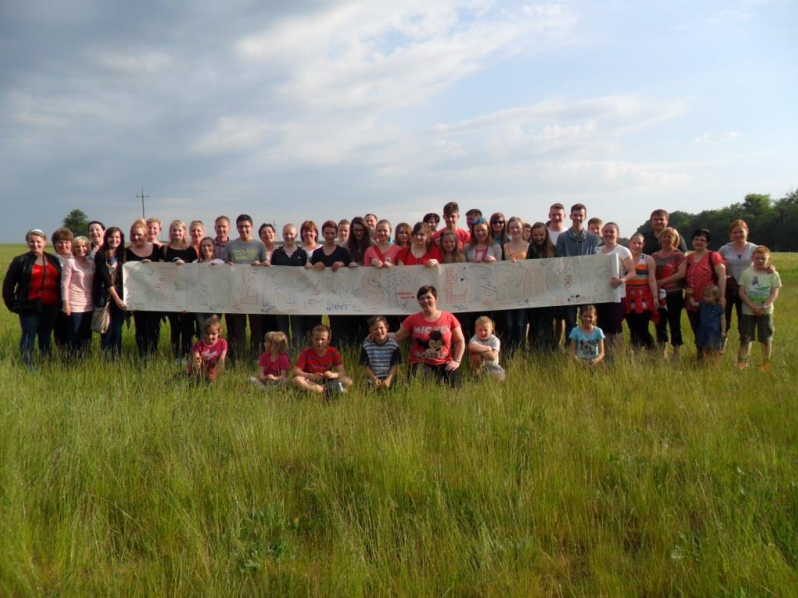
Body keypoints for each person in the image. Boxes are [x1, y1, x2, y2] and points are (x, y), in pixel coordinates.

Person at [3, 228, 62, 368]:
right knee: (29, 335)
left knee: (46, 335)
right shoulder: (20, 260)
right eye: (32, 241)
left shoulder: (53, 259)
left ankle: (46, 364)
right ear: (27, 243)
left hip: (51, 305)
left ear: (44, 242)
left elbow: (60, 281)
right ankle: (28, 366)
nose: (35, 244)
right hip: (28, 305)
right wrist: (11, 304)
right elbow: (8, 284)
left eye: (38, 241)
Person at [392, 285, 465, 386]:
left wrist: (457, 361)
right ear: (419, 302)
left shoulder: (449, 317)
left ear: (436, 299)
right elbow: (397, 336)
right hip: (420, 363)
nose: (425, 301)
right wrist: (376, 335)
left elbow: (460, 341)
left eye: (428, 297)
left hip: (445, 362)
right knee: (419, 385)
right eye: (422, 298)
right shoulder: (412, 319)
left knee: (456, 384)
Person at [223, 214, 267, 362]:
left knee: (256, 327)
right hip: (237, 294)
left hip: (255, 293)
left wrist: (261, 265)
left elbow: (265, 268)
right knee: (238, 328)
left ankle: (255, 357)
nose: (244, 229)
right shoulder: (230, 245)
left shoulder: (259, 245)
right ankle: (240, 358)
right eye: (241, 226)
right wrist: (227, 266)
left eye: (246, 226)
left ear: (252, 227)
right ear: (237, 228)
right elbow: (225, 266)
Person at [555, 203, 600, 339]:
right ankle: (571, 347)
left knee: (588, 318)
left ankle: (589, 345)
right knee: (570, 321)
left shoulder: (592, 238)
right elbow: (559, 260)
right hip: (568, 285)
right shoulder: (562, 238)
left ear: (585, 217)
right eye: (575, 215)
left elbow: (594, 260)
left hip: (586, 285)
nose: (578, 218)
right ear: (570, 216)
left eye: (581, 215)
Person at [737, 246, 781, 371]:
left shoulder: (773, 275)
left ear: (768, 259)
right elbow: (741, 292)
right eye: (757, 258)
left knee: (766, 339)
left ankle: (766, 365)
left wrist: (764, 306)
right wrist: (752, 306)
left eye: (763, 258)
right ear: (752, 258)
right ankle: (742, 365)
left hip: (766, 311)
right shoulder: (747, 273)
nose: (760, 261)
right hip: (748, 311)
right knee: (746, 338)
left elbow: (774, 293)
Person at [308, 221, 352, 344]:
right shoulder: (317, 253)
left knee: (337, 324)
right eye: (327, 233)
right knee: (315, 322)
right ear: (322, 233)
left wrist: (343, 265)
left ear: (336, 234)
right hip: (319, 293)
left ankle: (337, 347)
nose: (329, 236)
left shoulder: (343, 252)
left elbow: (350, 270)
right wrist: (314, 265)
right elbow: (310, 272)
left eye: (332, 233)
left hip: (337, 294)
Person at [162, 220, 199, 363]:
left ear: (184, 232)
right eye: (174, 230)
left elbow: (196, 271)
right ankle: (176, 355)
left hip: (187, 294)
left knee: (187, 327)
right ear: (170, 232)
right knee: (175, 327)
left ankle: (186, 354)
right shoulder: (165, 249)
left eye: (179, 230)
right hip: (170, 294)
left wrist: (185, 266)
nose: (177, 233)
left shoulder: (190, 250)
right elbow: (159, 270)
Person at [596, 223, 634, 356]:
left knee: (615, 325)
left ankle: (616, 355)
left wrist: (621, 280)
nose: (608, 234)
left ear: (617, 234)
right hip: (600, 295)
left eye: (611, 232)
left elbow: (632, 272)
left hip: (617, 295)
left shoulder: (623, 251)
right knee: (603, 325)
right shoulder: (597, 251)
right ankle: (606, 354)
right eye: (606, 231)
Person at [126, 219, 162, 358]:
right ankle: (142, 354)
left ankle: (152, 354)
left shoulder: (157, 249)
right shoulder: (127, 252)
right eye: (133, 234)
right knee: (140, 326)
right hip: (136, 296)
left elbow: (164, 269)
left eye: (139, 234)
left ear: (146, 234)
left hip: (155, 295)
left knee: (154, 326)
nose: (136, 237)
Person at [684, 229, 726, 347]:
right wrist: (686, 288)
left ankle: (712, 355)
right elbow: (683, 278)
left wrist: (722, 296)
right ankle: (700, 355)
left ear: (707, 243)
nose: (698, 242)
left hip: (709, 303)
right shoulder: (688, 258)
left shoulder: (713, 256)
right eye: (696, 239)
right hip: (692, 302)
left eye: (702, 240)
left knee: (710, 331)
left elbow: (722, 276)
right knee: (697, 331)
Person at [271, 223, 309, 352]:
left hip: (297, 297)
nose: (288, 236)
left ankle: (297, 354)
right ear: (282, 235)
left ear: (296, 235)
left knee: (297, 328)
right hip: (280, 296)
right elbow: (270, 273)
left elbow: (307, 274)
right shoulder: (277, 253)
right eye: (286, 234)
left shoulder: (302, 253)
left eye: (291, 234)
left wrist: (309, 267)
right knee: (282, 328)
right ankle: (284, 353)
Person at [718, 219, 758, 338]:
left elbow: (764, 264)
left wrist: (770, 268)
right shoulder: (724, 249)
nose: (738, 235)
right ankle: (721, 346)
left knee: (745, 321)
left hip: (747, 289)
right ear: (730, 234)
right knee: (724, 320)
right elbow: (716, 266)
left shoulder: (754, 249)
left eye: (741, 231)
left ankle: (744, 348)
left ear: (747, 231)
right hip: (728, 289)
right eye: (734, 232)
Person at [651, 227, 687, 360]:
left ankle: (676, 353)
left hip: (674, 295)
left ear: (675, 239)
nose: (666, 239)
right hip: (657, 295)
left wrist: (662, 282)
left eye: (670, 236)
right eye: (664, 236)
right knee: (659, 323)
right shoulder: (654, 256)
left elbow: (681, 274)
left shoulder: (679, 256)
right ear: (660, 239)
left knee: (674, 323)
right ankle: (662, 353)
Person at [93, 227, 126, 356]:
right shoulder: (101, 254)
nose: (114, 240)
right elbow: (106, 279)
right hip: (105, 297)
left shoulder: (122, 254)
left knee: (117, 330)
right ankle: (106, 358)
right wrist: (116, 299)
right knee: (107, 330)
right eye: (111, 237)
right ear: (106, 238)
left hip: (121, 297)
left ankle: (116, 357)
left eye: (117, 237)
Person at [293, 324, 353, 395]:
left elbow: (342, 372)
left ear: (328, 340)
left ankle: (321, 389)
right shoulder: (306, 353)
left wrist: (332, 374)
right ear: (312, 338)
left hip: (328, 380)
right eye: (317, 339)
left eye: (322, 339)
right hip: (311, 380)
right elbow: (296, 371)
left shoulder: (333, 351)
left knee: (348, 381)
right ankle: (328, 390)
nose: (319, 342)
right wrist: (312, 376)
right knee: (297, 380)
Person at [61, 235, 95, 357]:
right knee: (74, 333)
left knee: (86, 334)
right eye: (77, 247)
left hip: (89, 303)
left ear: (88, 248)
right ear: (73, 249)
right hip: (74, 304)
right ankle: (71, 359)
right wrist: (66, 304)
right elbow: (64, 285)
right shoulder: (70, 263)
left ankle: (85, 359)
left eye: (84, 246)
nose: (81, 249)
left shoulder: (91, 264)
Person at [625, 233, 659, 351]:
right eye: (634, 242)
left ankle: (651, 350)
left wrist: (655, 297)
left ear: (643, 244)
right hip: (628, 298)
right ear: (629, 243)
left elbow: (652, 279)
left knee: (642, 327)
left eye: (639, 243)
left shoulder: (648, 259)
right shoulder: (623, 258)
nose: (636, 245)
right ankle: (636, 353)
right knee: (632, 327)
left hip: (643, 298)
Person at [526, 222, 557, 351]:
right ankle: (534, 349)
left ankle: (549, 349)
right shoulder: (529, 248)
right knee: (534, 322)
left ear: (546, 234)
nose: (539, 238)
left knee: (548, 322)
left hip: (549, 293)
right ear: (531, 235)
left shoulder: (553, 249)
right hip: (533, 292)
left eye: (541, 235)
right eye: (535, 235)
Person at [251, 223, 279, 355]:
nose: (267, 235)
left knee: (275, 325)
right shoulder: (255, 252)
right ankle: (260, 354)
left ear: (274, 234)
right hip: (258, 295)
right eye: (264, 233)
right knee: (260, 326)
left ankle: (277, 353)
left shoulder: (281, 251)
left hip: (277, 296)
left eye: (270, 232)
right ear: (260, 236)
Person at [503, 217, 530, 351]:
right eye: (512, 227)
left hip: (523, 288)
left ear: (522, 229)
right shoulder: (505, 247)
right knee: (509, 324)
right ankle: (509, 351)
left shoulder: (528, 246)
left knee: (521, 323)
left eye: (517, 227)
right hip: (508, 289)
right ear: (509, 230)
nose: (514, 230)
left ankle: (522, 351)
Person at [360, 315, 402, 389]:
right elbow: (366, 367)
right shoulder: (367, 346)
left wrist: (388, 380)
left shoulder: (393, 345)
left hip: (390, 377)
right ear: (370, 331)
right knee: (364, 386)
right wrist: (374, 379)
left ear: (387, 327)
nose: (379, 331)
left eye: (381, 328)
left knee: (400, 385)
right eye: (375, 329)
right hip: (372, 378)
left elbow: (394, 366)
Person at [51, 227, 74, 349]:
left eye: (66, 242)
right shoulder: (50, 260)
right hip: (57, 300)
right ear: (55, 244)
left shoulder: (78, 257)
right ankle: (61, 354)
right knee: (60, 330)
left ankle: (78, 354)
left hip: (78, 300)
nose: (63, 245)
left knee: (77, 329)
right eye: (60, 242)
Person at [187, 315, 227, 383]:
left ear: (219, 333)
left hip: (214, 372)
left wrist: (213, 375)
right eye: (207, 333)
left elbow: (221, 362)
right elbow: (196, 363)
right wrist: (200, 374)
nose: (210, 337)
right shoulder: (198, 344)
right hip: (198, 372)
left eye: (213, 334)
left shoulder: (223, 343)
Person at [468, 315, 505, 381]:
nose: (483, 332)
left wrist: (478, 350)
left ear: (491, 330)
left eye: (486, 330)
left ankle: (487, 377)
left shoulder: (495, 340)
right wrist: (487, 348)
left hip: (492, 365)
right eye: (480, 330)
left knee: (500, 377)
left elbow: (493, 356)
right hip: (480, 364)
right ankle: (476, 376)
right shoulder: (475, 338)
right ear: (476, 330)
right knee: (475, 356)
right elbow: (471, 346)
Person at [696, 285, 726, 364]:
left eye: (708, 296)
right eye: (705, 296)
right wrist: (689, 297)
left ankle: (716, 364)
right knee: (705, 348)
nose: (705, 298)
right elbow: (693, 304)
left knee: (715, 349)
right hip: (704, 331)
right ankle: (706, 363)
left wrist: (723, 331)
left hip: (714, 332)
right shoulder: (702, 304)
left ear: (715, 297)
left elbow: (723, 319)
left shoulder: (719, 307)